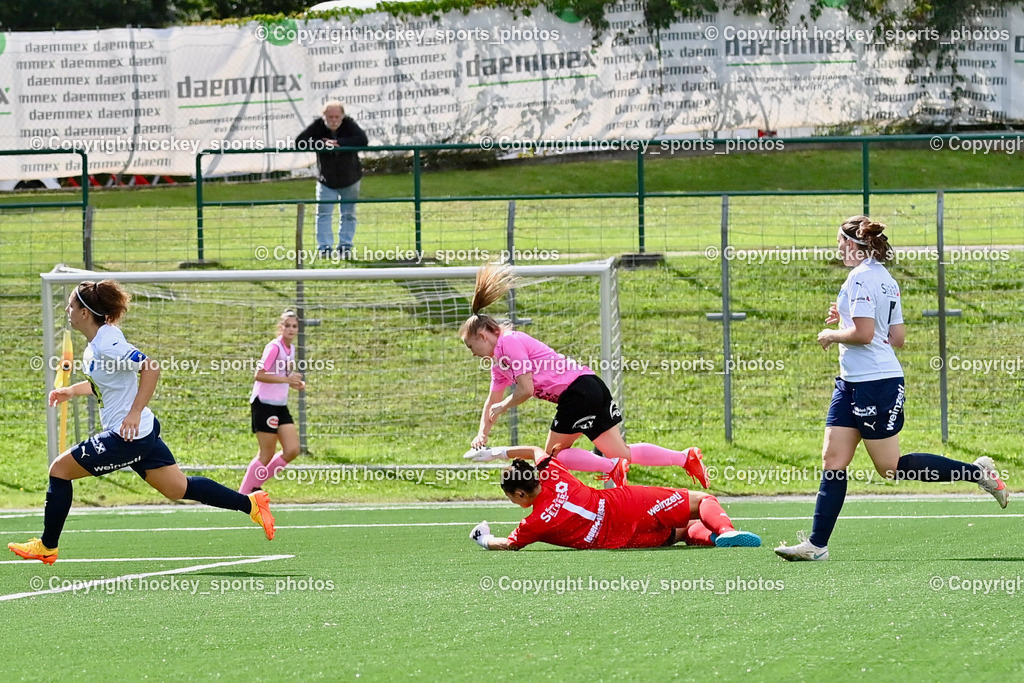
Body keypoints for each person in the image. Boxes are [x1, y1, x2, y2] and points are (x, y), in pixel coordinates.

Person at [775, 216, 1007, 562]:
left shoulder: (860, 278)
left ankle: (977, 473)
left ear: (853, 245)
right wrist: (844, 316)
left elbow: (865, 335)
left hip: (876, 384)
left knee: (890, 467)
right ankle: (816, 545)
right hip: (851, 383)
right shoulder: (884, 279)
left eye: (840, 243)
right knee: (833, 459)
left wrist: (831, 334)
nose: (838, 249)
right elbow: (896, 337)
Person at [8, 280, 275, 565]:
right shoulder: (96, 345)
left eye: (71, 305)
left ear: (85, 312)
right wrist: (70, 391)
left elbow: (150, 367)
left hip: (128, 435)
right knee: (177, 488)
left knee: (59, 471)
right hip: (140, 432)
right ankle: (251, 503)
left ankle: (47, 546)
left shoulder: (108, 344)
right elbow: (106, 384)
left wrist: (134, 412)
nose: (67, 309)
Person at [461, 262, 708, 488]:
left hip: (577, 393)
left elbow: (524, 390)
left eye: (472, 347)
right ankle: (685, 457)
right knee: (622, 453)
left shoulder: (509, 343)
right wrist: (482, 434)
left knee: (550, 458)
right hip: (591, 386)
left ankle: (611, 468)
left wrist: (504, 406)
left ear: (483, 336)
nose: (473, 354)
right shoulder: (499, 361)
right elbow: (491, 401)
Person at [469, 447, 761, 550]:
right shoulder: (554, 473)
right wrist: (498, 452)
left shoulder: (534, 524)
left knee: (679, 533)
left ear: (520, 493)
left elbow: (507, 545)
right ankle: (725, 531)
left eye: (510, 498)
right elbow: (535, 450)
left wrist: (483, 538)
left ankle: (711, 539)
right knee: (700, 501)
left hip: (617, 540)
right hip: (624, 504)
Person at [239, 309, 306, 495]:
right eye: (287, 325)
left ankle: (252, 485)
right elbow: (259, 374)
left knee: (292, 449)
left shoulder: (290, 349)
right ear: (280, 327)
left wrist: (294, 383)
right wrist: (286, 380)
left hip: (280, 405)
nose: (291, 329)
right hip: (264, 404)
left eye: (294, 326)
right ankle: (243, 494)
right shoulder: (274, 347)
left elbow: (282, 375)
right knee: (266, 454)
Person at [295, 100, 368, 258]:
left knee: (348, 214)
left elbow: (363, 141)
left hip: (350, 179)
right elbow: (299, 142)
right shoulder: (318, 126)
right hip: (326, 180)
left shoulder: (349, 124)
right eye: (330, 117)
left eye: (337, 117)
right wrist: (321, 144)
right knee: (323, 214)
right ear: (324, 116)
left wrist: (338, 143)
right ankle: (325, 249)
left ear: (342, 116)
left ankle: (345, 248)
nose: (334, 120)